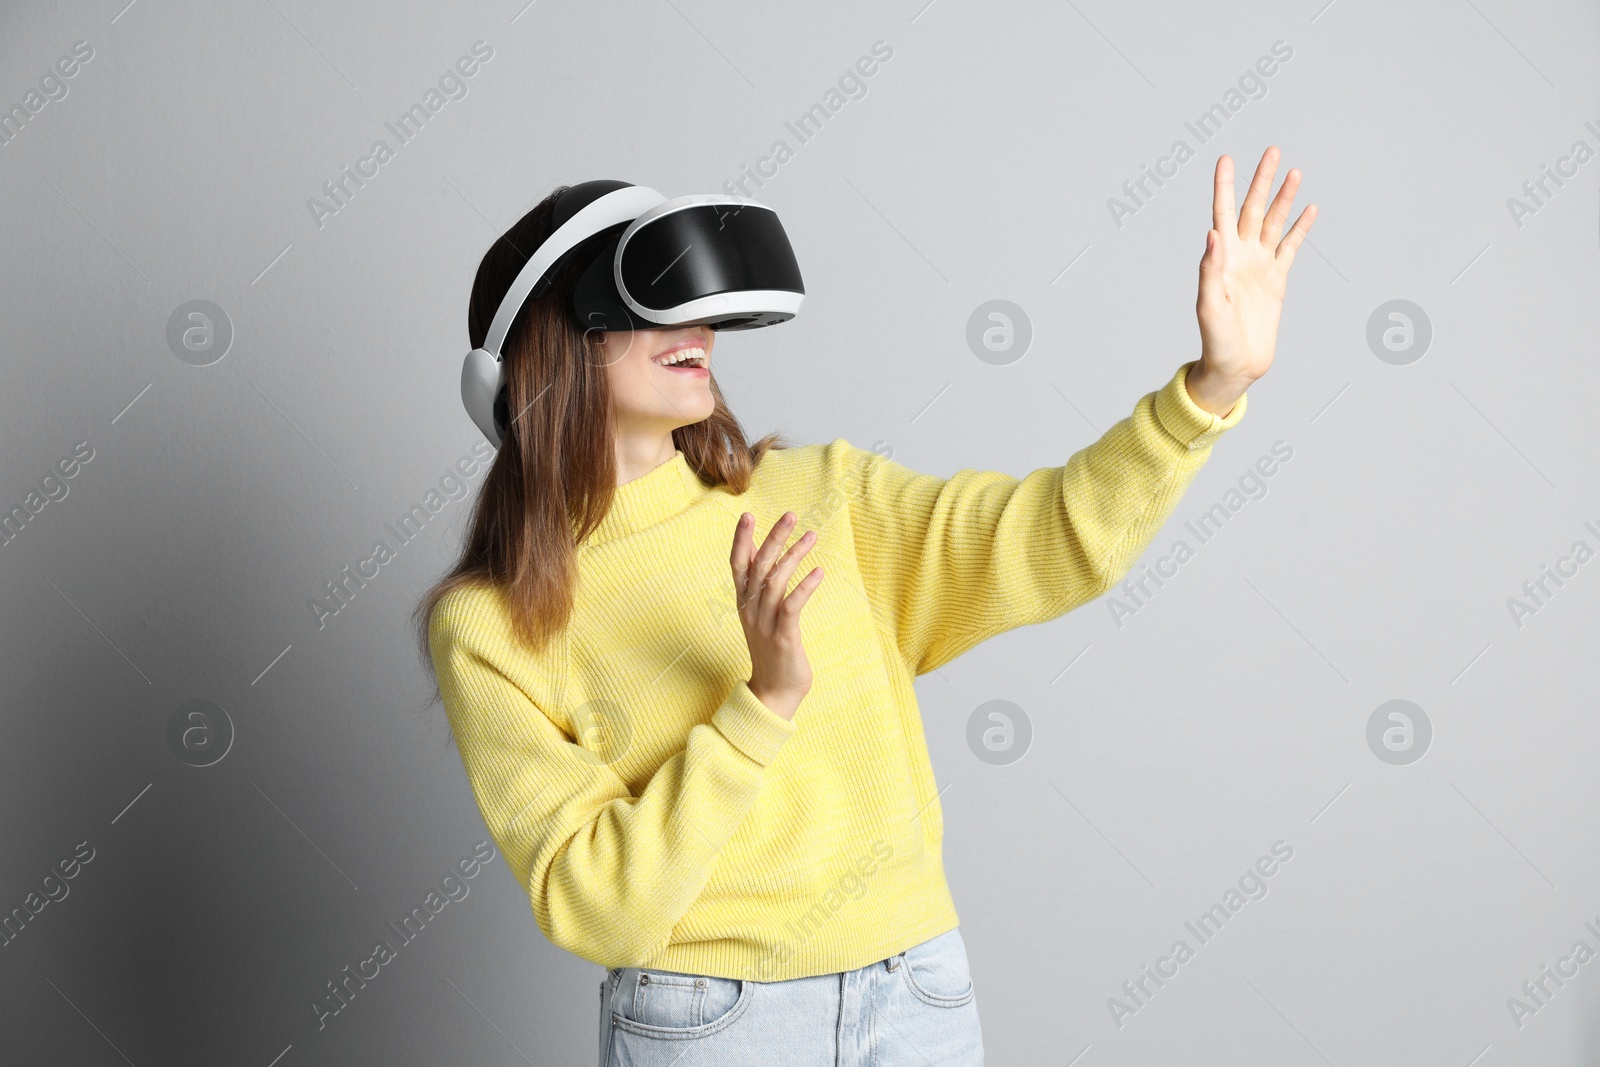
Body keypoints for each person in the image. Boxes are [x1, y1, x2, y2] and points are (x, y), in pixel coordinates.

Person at [414, 146, 1317, 1065]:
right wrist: (760, 705)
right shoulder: (492, 623)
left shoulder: (825, 496)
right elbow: (600, 905)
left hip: (918, 990)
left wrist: (1210, 388)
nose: (696, 323)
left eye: (698, 296)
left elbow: (1054, 541)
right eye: (652, 296)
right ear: (553, 342)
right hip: (713, 1022)